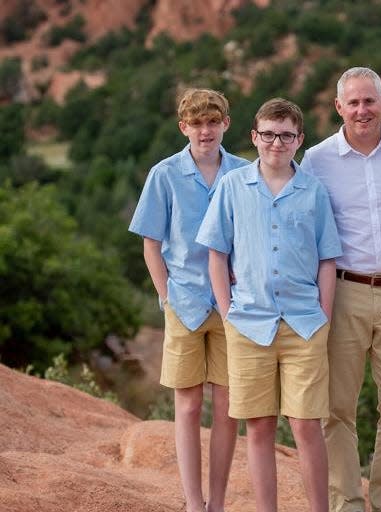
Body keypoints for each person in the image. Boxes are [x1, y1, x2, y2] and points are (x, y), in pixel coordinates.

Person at [196, 98, 342, 512]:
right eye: (269, 134)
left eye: (287, 135)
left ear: (299, 139)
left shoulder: (314, 192)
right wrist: (227, 314)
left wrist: (324, 318)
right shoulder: (232, 186)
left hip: (304, 325)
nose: (277, 143)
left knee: (306, 425)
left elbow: (328, 259)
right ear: (254, 137)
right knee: (258, 427)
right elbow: (216, 255)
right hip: (249, 324)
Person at [300, 67, 381, 512]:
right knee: (337, 409)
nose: (362, 110)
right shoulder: (315, 160)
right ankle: (347, 502)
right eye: (353, 102)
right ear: (338, 107)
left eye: (369, 100)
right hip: (343, 291)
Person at [129, 88, 250, 512]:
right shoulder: (164, 174)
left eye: (212, 122)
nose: (205, 130)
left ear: (226, 125)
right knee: (188, 403)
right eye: (197, 123)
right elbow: (150, 244)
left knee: (228, 405)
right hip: (185, 303)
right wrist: (166, 298)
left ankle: (217, 501)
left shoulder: (244, 173)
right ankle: (193, 503)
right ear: (184, 127)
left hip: (232, 305)